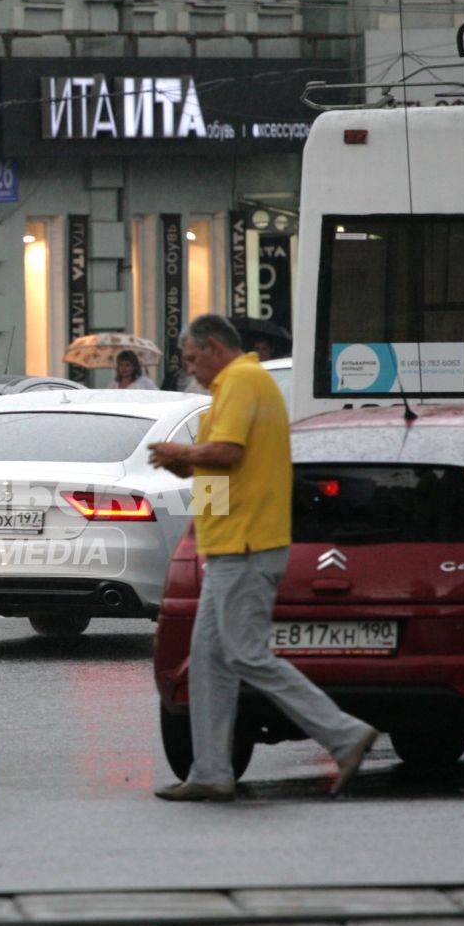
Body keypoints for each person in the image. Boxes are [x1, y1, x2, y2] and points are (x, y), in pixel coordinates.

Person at [145, 314, 380, 802]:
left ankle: (344, 733)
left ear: (213, 347)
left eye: (191, 359)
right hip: (229, 544)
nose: (190, 371)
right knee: (209, 661)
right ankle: (210, 771)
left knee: (243, 653)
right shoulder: (236, 386)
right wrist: (187, 467)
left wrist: (181, 454)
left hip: (247, 545)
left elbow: (227, 453)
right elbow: (223, 470)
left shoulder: (242, 381)